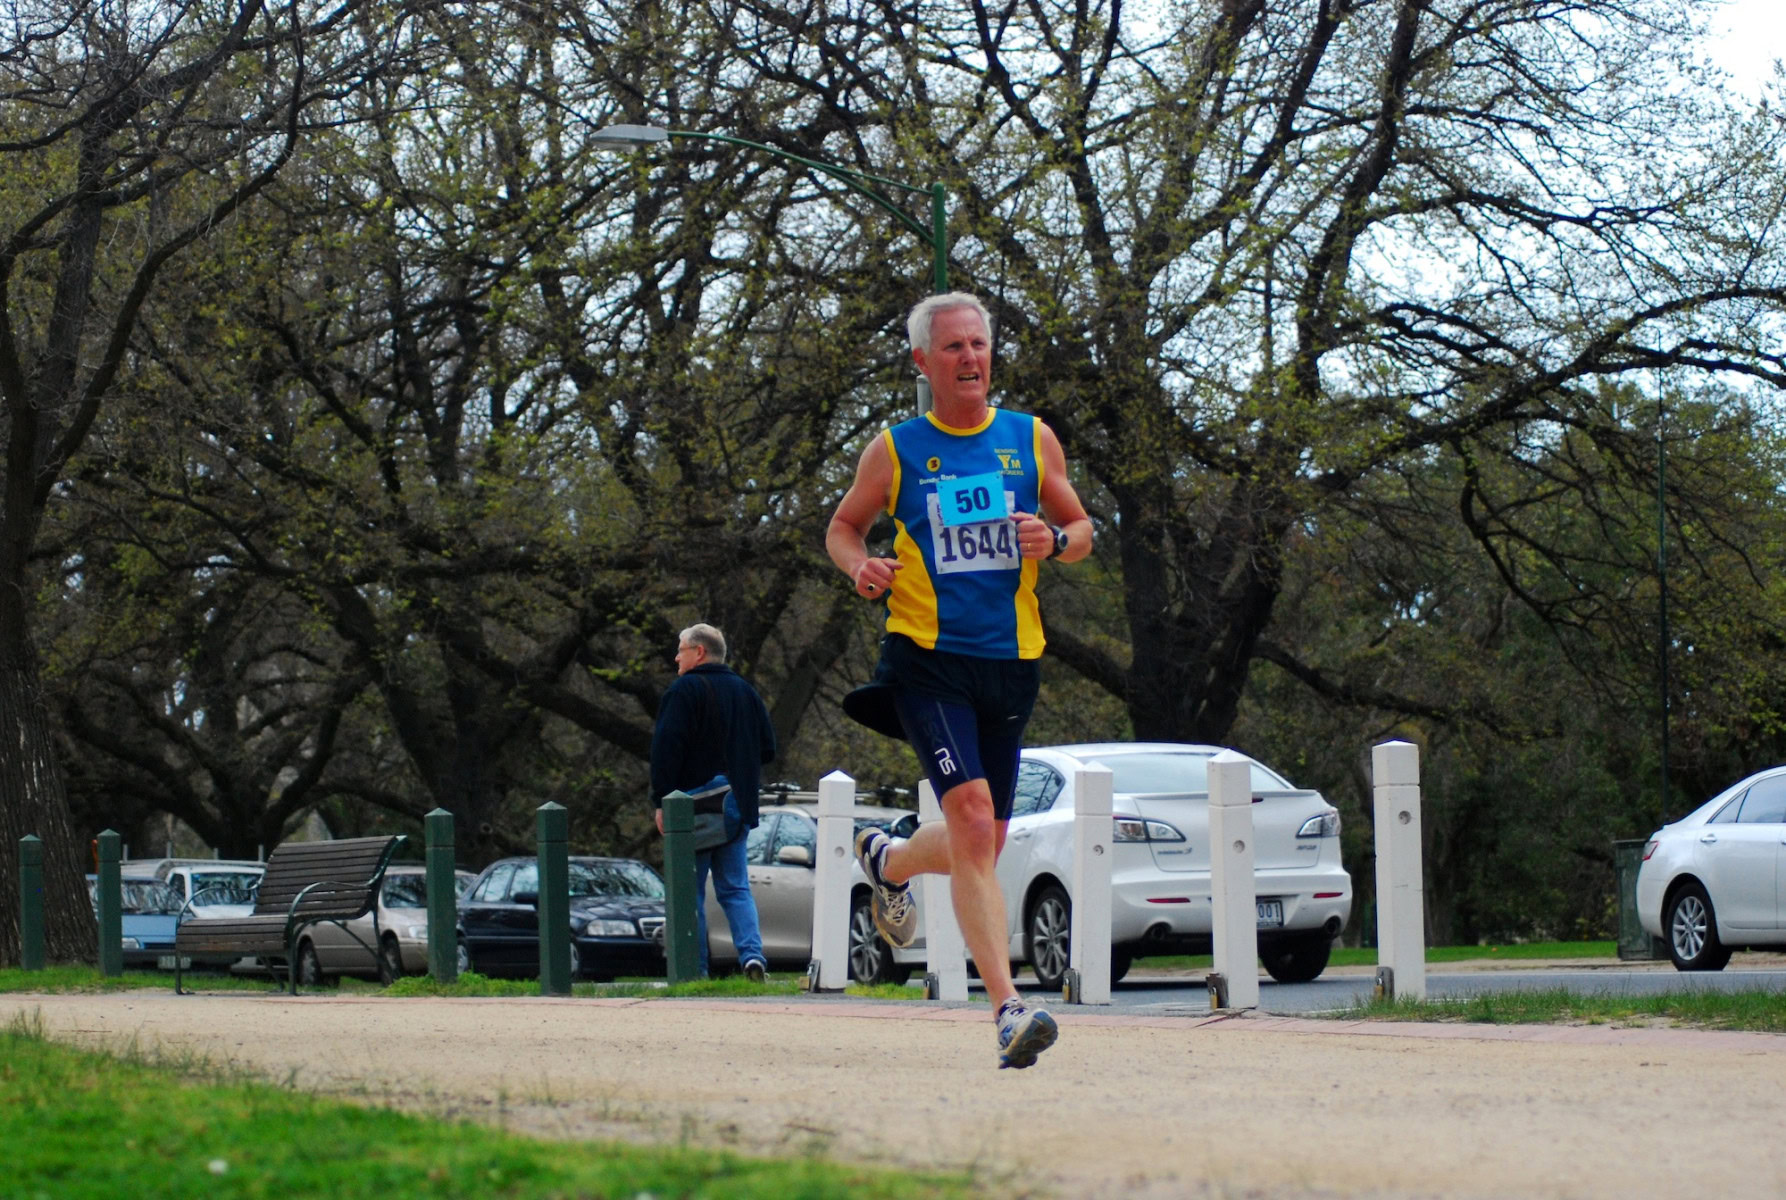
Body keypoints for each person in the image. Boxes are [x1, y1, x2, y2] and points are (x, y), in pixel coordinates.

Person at [826, 292, 1092, 1068]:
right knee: (974, 821)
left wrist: (1057, 538)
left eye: (979, 345)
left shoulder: (1031, 439)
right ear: (921, 362)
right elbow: (844, 527)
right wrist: (861, 565)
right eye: (953, 348)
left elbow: (1080, 529)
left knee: (989, 837)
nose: (971, 358)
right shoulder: (897, 451)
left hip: (1013, 661)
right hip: (925, 659)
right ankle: (1009, 1009)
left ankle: (890, 860)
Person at [650, 623, 778, 981]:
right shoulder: (746, 692)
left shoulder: (683, 691)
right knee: (735, 888)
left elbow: (666, 749)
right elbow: (768, 748)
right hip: (736, 806)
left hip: (692, 806)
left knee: (687, 890)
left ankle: (695, 970)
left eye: (681, 649)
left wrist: (662, 800)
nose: (676, 656)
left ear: (699, 652)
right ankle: (752, 957)